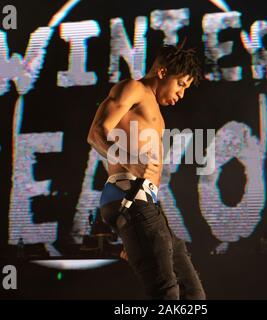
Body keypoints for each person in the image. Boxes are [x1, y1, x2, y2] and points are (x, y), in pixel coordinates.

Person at [87, 43, 206, 299]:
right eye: (181, 85)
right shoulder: (134, 89)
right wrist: (129, 161)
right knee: (166, 294)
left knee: (192, 295)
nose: (181, 94)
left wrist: (131, 236)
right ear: (163, 72)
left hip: (144, 204)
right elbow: (96, 133)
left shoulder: (154, 110)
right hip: (130, 197)